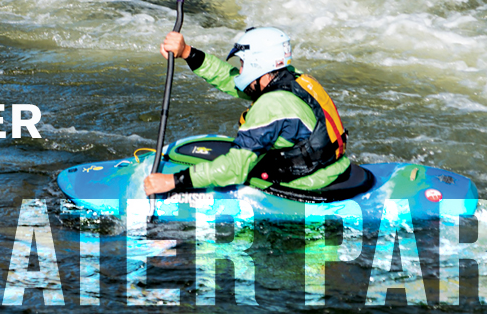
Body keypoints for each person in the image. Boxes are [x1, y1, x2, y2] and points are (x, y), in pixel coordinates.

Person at [143, 26, 350, 196]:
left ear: (257, 64)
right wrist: (188, 53)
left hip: (307, 183)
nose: (241, 70)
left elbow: (235, 169)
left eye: (243, 64)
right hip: (333, 168)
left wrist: (173, 181)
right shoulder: (296, 79)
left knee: (235, 166)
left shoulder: (271, 105)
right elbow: (229, 79)